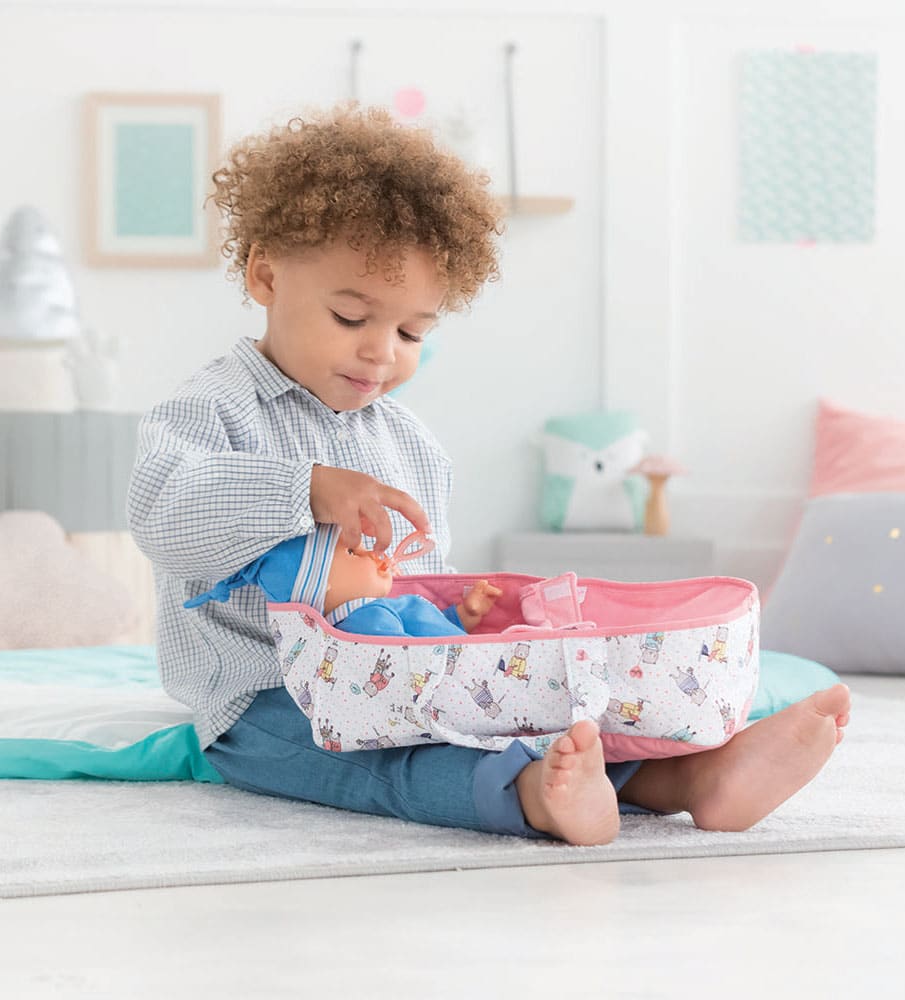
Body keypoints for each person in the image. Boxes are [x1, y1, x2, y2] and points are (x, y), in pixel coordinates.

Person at [128, 104, 851, 847]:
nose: (382, 352)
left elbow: (412, 586)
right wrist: (306, 488)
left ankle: (695, 777)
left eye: (412, 331)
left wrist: (459, 625)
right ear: (266, 274)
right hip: (266, 700)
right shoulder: (212, 409)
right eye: (350, 317)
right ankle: (534, 798)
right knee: (392, 766)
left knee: (539, 717)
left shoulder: (409, 443)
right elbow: (160, 510)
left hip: (399, 683)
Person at [183, 522, 503, 637]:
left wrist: (464, 614)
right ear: (322, 584)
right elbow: (411, 656)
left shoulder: (381, 610)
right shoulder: (368, 619)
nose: (371, 553)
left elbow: (428, 632)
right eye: (352, 553)